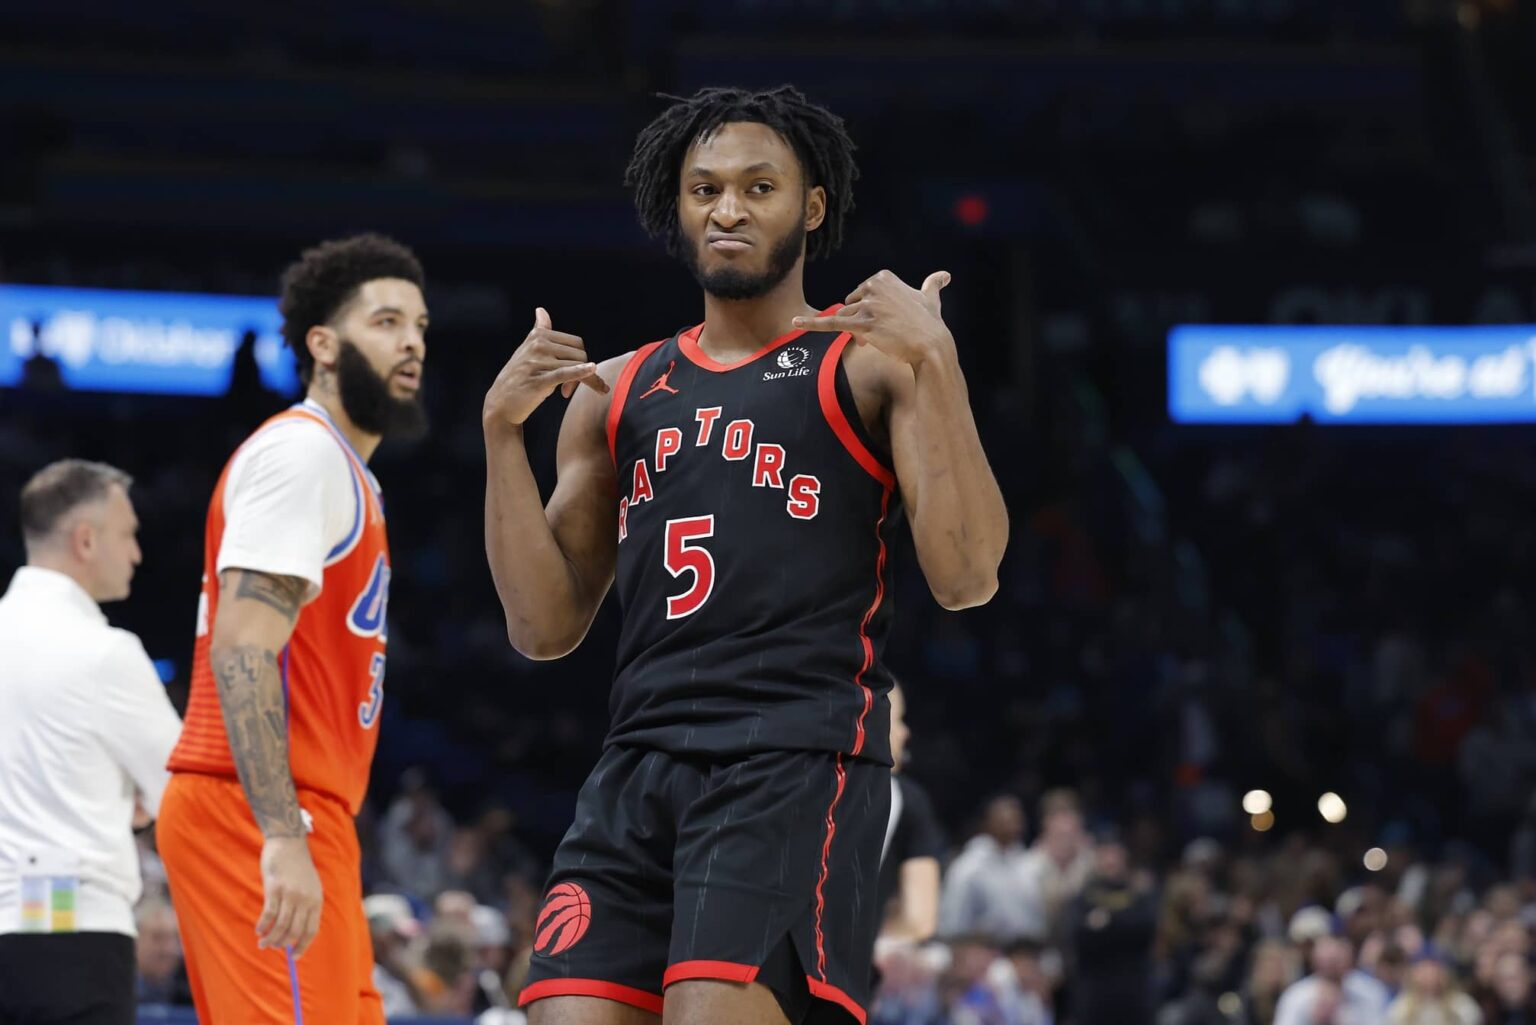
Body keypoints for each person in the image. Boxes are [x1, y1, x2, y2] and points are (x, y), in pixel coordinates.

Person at [482, 84, 1008, 1025]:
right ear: (677, 209)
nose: (728, 208)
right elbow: (543, 627)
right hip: (637, 762)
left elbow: (968, 576)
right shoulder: (619, 387)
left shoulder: (868, 363)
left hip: (791, 755)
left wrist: (941, 363)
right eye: (706, 189)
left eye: (759, 187)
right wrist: (496, 435)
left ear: (809, 208)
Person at [157, 233, 430, 1023]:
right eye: (384, 321)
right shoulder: (302, 455)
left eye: (419, 325)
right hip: (253, 805)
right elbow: (244, 645)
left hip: (307, 813)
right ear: (323, 344)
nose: (411, 340)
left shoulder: (349, 472)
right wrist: (279, 834)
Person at [0, 459, 183, 1025]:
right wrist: (129, 795)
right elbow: (180, 792)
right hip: (74, 932)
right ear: (85, 540)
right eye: (128, 535)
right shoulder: (104, 651)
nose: (136, 554)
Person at [878, 682, 945, 945]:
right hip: (841, 968)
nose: (905, 732)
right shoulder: (903, 798)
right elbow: (921, 920)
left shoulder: (794, 776)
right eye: (899, 719)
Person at [939, 795, 1038, 944]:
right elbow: (953, 922)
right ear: (988, 823)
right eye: (1004, 819)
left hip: (1025, 951)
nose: (1011, 825)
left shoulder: (1028, 863)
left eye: (1015, 819)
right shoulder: (969, 867)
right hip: (985, 951)